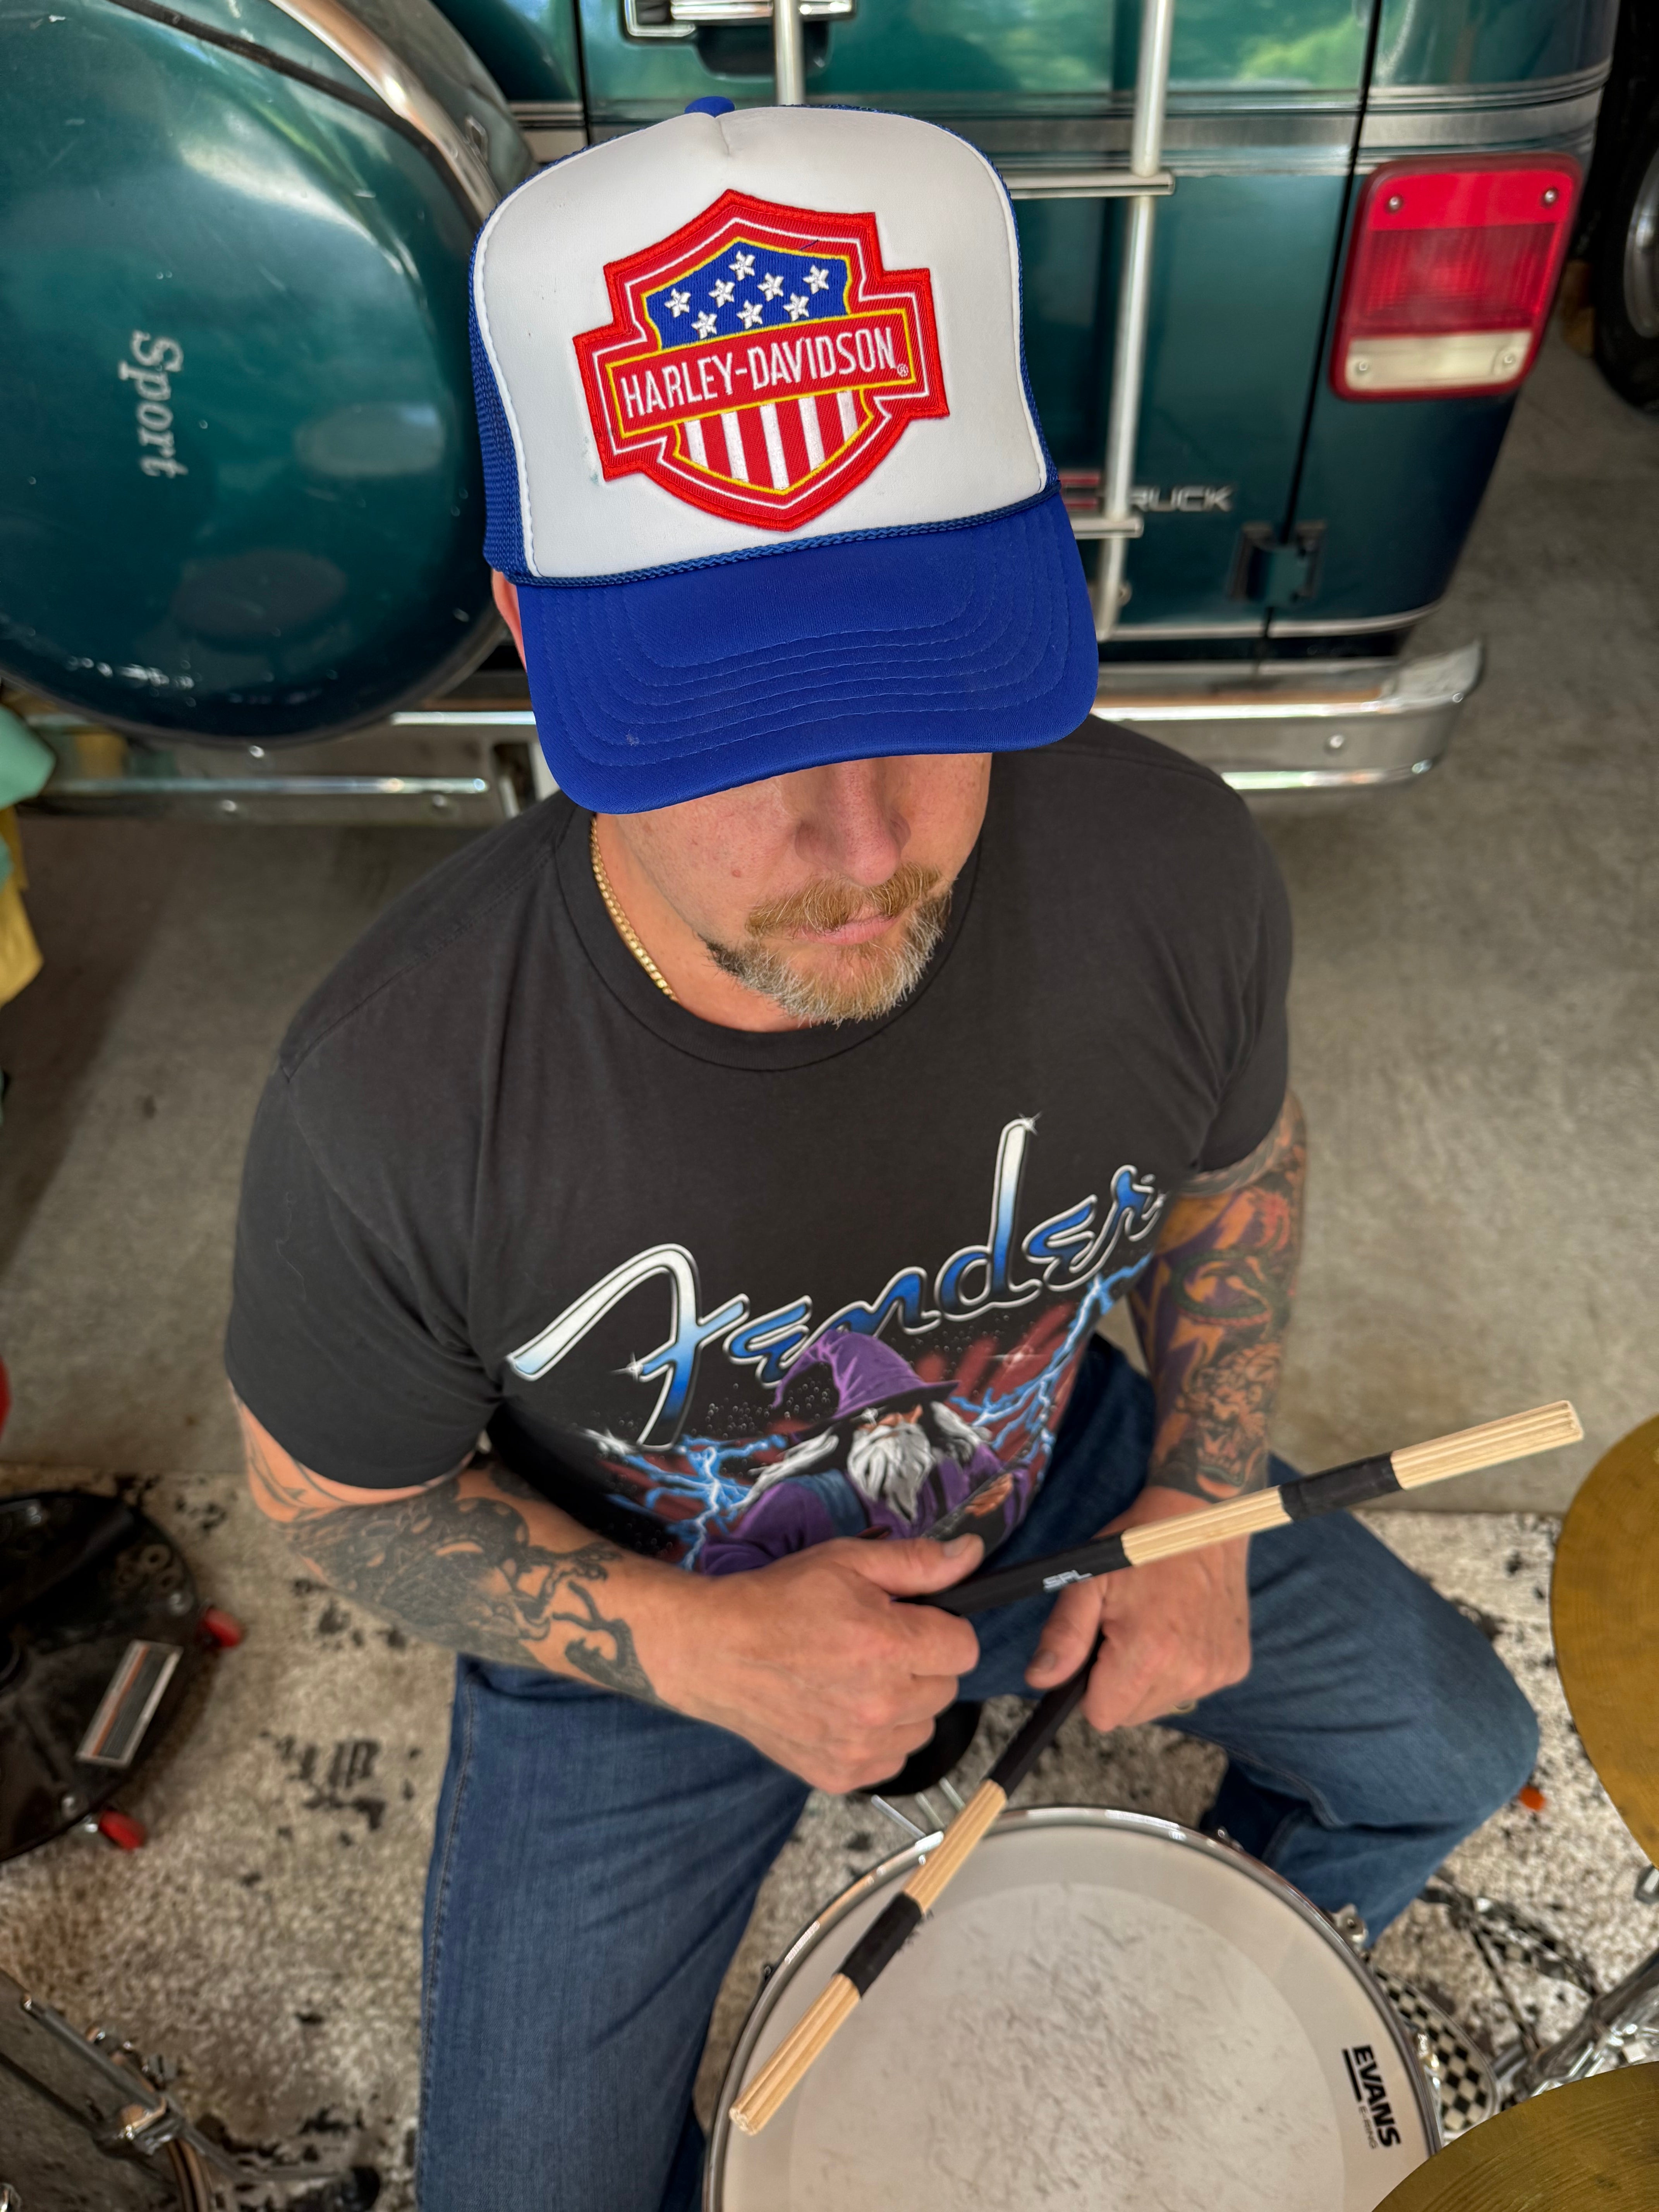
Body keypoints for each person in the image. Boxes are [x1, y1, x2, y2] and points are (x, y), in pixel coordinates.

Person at [227, 102, 1537, 2212]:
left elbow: (1232, 1164)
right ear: (535, 630)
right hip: (656, 1606)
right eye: (729, 728)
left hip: (1056, 1477)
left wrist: (1199, 1494)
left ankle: (1168, 1991)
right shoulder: (391, 1093)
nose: (858, 845)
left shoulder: (1171, 871)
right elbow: (328, 1493)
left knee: (1460, 1752)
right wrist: (693, 1649)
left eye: (926, 686)